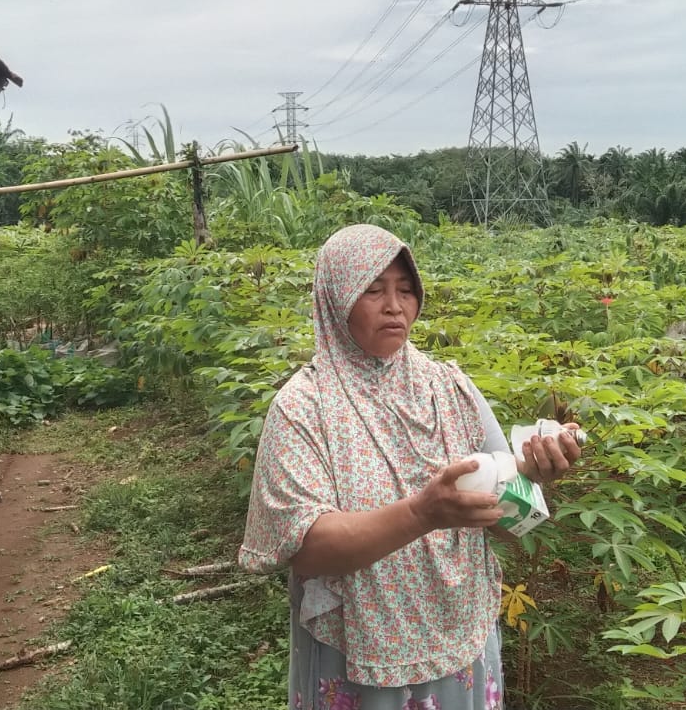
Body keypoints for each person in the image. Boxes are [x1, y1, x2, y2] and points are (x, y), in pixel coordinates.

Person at [239, 224, 583, 710]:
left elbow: (506, 515)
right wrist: (421, 514)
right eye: (373, 290)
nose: (394, 306)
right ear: (335, 300)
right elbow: (308, 550)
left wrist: (533, 474)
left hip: (459, 637)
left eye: (405, 290)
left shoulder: (449, 388)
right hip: (356, 654)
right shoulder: (303, 407)